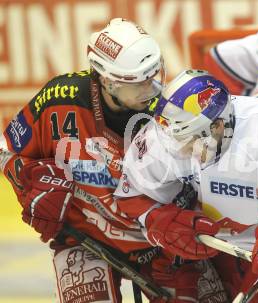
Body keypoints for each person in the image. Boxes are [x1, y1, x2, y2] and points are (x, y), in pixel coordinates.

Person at [114, 69, 258, 302]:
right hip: (211, 246)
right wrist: (158, 220)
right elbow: (133, 192)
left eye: (190, 140)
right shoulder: (170, 130)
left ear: (218, 127)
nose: (182, 151)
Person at [0, 18, 169, 303]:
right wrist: (26, 180)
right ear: (107, 80)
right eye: (139, 81)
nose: (151, 88)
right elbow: (7, 151)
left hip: (162, 243)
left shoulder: (169, 114)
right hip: (85, 240)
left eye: (154, 75)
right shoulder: (59, 100)